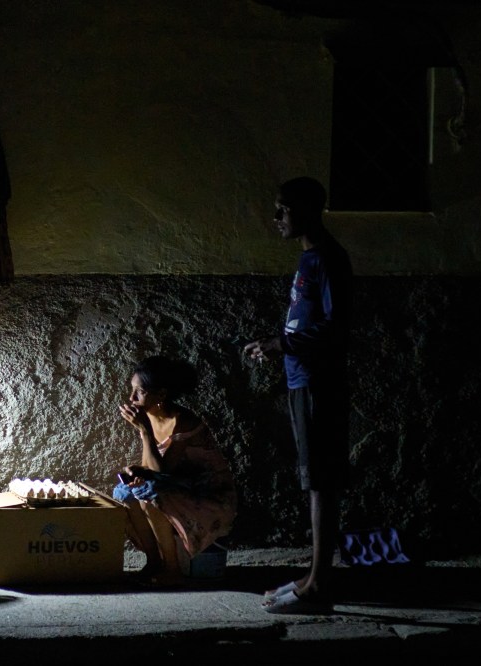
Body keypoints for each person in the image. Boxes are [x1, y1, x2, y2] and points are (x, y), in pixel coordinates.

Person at [243, 176, 353, 614]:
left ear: (308, 211)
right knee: (314, 481)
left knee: (322, 482)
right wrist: (277, 344)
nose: (276, 218)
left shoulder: (328, 259)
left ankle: (318, 587)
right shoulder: (310, 259)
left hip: (317, 382)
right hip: (301, 379)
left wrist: (281, 344)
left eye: (283, 210)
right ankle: (312, 576)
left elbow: (336, 327)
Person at [112, 356, 237, 586]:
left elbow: (162, 472)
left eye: (139, 392)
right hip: (176, 484)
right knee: (124, 493)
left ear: (161, 394)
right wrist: (137, 471)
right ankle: (153, 562)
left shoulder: (184, 421)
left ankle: (172, 569)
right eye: (132, 390)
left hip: (205, 492)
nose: (131, 399)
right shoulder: (149, 416)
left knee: (149, 492)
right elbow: (151, 469)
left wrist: (145, 433)